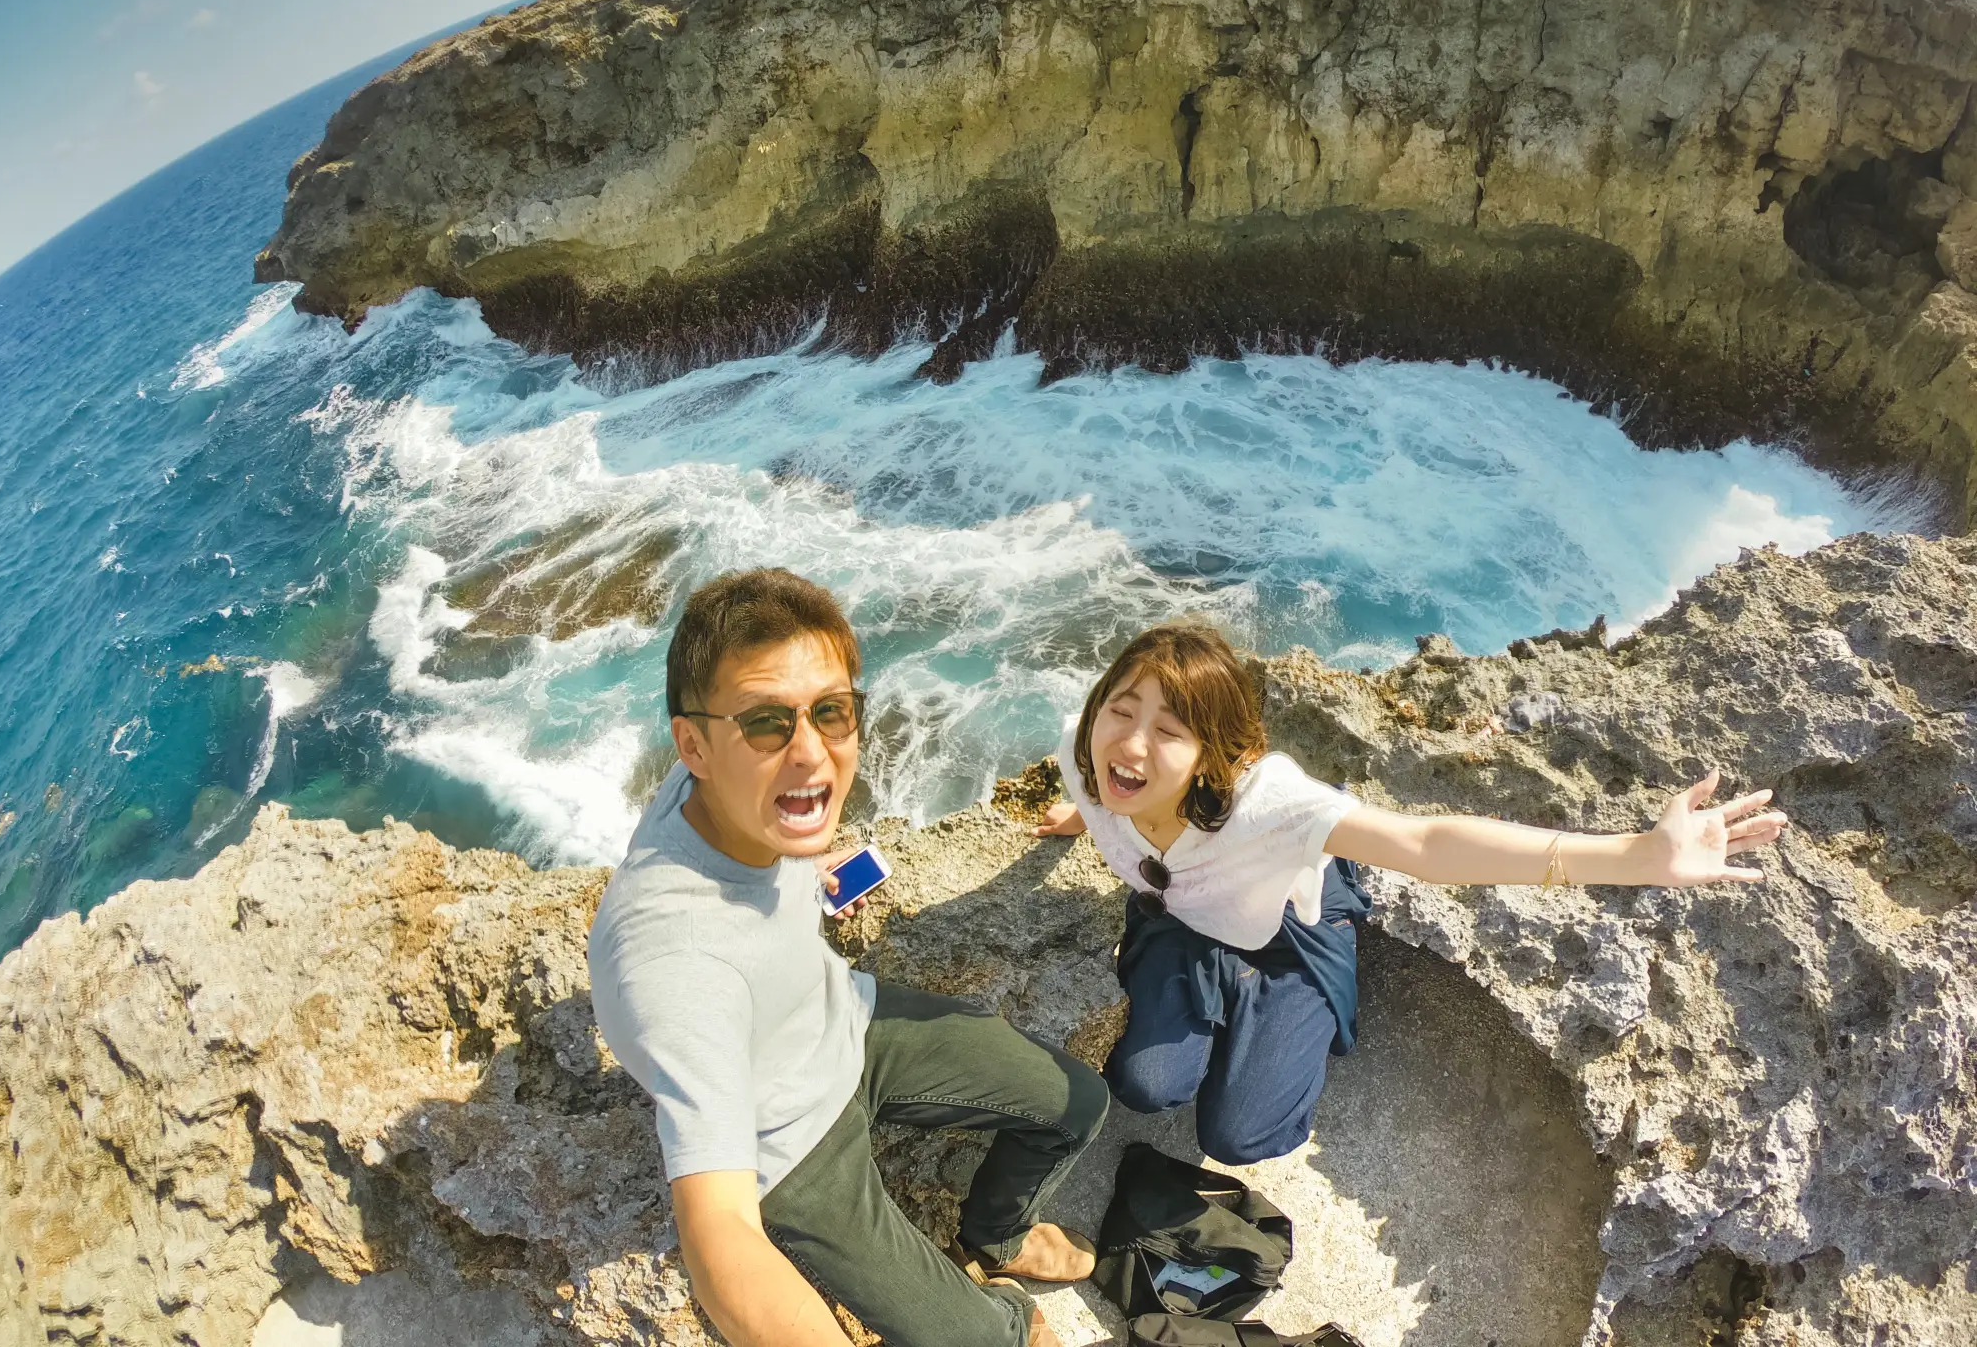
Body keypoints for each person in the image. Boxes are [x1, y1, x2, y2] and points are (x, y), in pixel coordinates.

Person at [1036, 621, 1784, 1166]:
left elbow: (1429, 846)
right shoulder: (1094, 754)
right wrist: (1088, 812)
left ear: (1210, 759)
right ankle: (1224, 992)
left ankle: (1283, 1000)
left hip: (1286, 933)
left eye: (1168, 730)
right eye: (1122, 711)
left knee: (1237, 1136)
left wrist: (1641, 857)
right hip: (1189, 923)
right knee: (1144, 1086)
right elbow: (1099, 775)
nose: (1130, 743)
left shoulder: (1265, 806)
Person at [590, 569, 1107, 1347]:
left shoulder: (734, 796)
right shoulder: (675, 963)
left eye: (831, 712)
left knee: (1079, 1104)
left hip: (850, 1019)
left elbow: (775, 799)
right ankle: (1001, 1318)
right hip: (791, 1142)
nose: (811, 754)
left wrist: (804, 864)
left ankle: (994, 1237)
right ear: (691, 743)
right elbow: (718, 1232)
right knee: (981, 1342)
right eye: (767, 723)